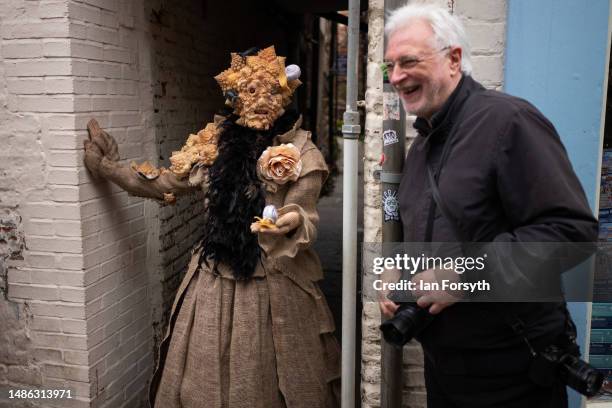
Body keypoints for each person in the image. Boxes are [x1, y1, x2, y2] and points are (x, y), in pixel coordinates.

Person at [83, 46, 340, 408]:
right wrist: (109, 167)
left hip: (275, 284)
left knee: (273, 378)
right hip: (213, 277)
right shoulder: (211, 146)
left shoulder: (301, 154)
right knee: (203, 378)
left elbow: (305, 213)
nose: (263, 100)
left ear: (286, 95)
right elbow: (163, 183)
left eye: (272, 92)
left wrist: (291, 221)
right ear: (235, 96)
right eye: (252, 91)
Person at [380, 3, 598, 407]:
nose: (396, 77)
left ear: (454, 59)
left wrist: (464, 276)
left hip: (512, 372)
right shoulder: (423, 143)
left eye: (408, 61)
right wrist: (401, 269)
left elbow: (572, 233)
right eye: (389, 66)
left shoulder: (510, 121)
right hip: (445, 368)